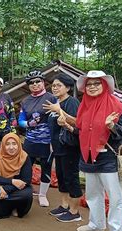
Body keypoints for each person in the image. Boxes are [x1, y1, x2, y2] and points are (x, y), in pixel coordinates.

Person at [72, 71, 122, 231]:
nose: (92, 87)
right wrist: (67, 125)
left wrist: (111, 125)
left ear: (104, 85)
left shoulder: (116, 105)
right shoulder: (84, 105)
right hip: (88, 156)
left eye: (96, 83)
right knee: (92, 193)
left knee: (115, 197)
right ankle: (96, 224)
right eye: (89, 84)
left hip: (108, 156)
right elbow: (82, 130)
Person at [42, 73, 82, 222]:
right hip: (58, 148)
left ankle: (74, 212)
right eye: (53, 86)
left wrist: (58, 110)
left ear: (68, 87)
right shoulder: (56, 102)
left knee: (71, 177)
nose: (55, 88)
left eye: (59, 85)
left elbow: (77, 123)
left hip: (70, 147)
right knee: (61, 177)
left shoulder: (72, 102)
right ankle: (64, 205)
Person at [17, 70, 57, 207]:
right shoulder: (25, 101)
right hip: (30, 139)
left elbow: (60, 115)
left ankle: (42, 194)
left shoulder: (52, 98)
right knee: (26, 165)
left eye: (37, 81)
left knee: (46, 167)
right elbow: (20, 120)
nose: (35, 84)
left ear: (43, 82)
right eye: (31, 83)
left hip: (48, 140)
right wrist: (29, 123)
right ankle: (26, 191)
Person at [0, 133, 33, 220]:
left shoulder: (24, 157)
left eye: (14, 143)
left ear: (19, 144)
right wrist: (11, 181)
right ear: (3, 145)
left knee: (27, 194)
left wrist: (6, 189)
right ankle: (9, 204)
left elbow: (26, 180)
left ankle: (7, 202)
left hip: (15, 187)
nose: (11, 147)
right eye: (7, 144)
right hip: (1, 183)